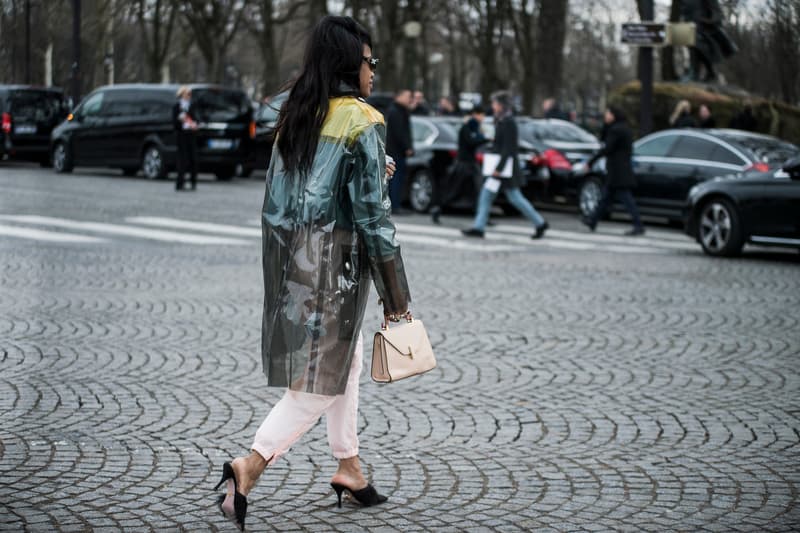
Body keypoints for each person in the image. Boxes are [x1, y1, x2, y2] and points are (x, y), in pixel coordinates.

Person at [214, 16, 411, 530]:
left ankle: (349, 466)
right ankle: (249, 466)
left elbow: (298, 196)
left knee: (343, 364)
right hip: (337, 272)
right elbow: (373, 218)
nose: (375, 72)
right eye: (371, 62)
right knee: (320, 383)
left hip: (295, 264)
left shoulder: (299, 113)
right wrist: (398, 299)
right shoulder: (363, 120)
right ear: (352, 64)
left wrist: (374, 169)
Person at [462, 91, 548, 240]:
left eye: (495, 103)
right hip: (501, 167)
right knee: (486, 196)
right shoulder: (502, 120)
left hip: (505, 169)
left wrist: (498, 169)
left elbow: (508, 148)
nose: (493, 106)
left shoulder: (508, 122)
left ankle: (539, 223)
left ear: (501, 105)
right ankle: (479, 227)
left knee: (515, 198)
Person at [579, 106, 645, 236]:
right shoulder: (624, 128)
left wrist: (591, 162)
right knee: (606, 197)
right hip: (621, 168)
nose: (605, 116)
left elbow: (607, 148)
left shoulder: (616, 130)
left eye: (608, 114)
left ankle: (638, 224)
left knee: (626, 199)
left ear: (613, 115)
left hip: (617, 170)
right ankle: (592, 220)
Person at [431, 104, 487, 224]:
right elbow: (471, 142)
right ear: (476, 114)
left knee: (479, 190)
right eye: (482, 115)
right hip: (464, 164)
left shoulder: (474, 126)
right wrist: (485, 138)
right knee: (454, 190)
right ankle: (437, 209)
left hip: (471, 163)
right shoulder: (467, 127)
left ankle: (482, 218)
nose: (483, 118)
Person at [385, 89, 414, 213]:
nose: (410, 99)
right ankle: (394, 205)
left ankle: (395, 204)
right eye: (408, 96)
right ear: (399, 96)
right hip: (396, 151)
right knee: (395, 179)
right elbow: (399, 132)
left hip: (397, 151)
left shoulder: (400, 111)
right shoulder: (396, 112)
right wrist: (407, 147)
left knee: (397, 179)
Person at [173, 86, 198, 191]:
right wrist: (181, 121)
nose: (189, 96)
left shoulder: (192, 106)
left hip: (191, 135)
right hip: (181, 135)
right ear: (182, 94)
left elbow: (196, 119)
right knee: (182, 160)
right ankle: (180, 183)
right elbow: (174, 122)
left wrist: (194, 124)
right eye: (187, 94)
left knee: (193, 159)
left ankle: (193, 182)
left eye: (189, 94)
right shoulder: (177, 107)